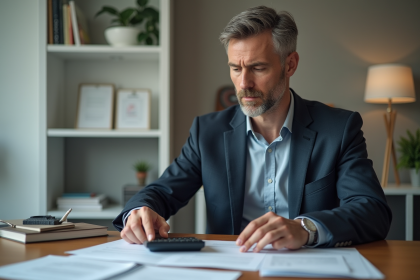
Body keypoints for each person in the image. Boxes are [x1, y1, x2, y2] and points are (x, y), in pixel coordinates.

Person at [113, 6, 391, 252]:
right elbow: (162, 191)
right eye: (235, 68)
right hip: (234, 267)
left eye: (258, 68)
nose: (243, 83)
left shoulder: (339, 128)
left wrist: (306, 229)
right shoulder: (207, 131)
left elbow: (372, 210)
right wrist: (141, 211)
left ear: (290, 64)